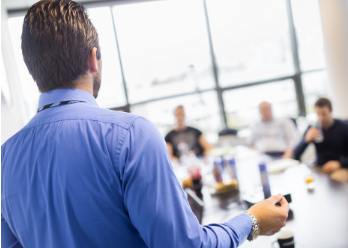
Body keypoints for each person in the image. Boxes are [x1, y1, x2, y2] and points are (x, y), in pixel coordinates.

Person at [1, 1, 289, 247]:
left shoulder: (4, 159)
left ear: (32, 69)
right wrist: (253, 221)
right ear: (93, 59)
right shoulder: (130, 135)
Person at [294, 98, 348, 175]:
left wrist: (340, 164)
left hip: (339, 167)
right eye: (318, 114)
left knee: (336, 179)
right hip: (319, 168)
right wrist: (306, 140)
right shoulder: (313, 128)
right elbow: (296, 154)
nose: (321, 118)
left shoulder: (343, 127)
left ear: (331, 111)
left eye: (324, 114)